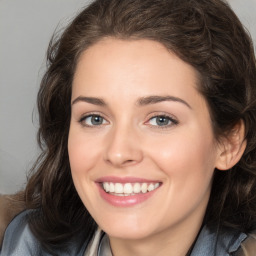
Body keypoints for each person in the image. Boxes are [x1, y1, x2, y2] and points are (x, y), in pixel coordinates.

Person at [1, 0, 256, 255]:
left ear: (228, 143)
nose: (118, 152)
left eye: (160, 120)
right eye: (95, 119)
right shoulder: (19, 242)